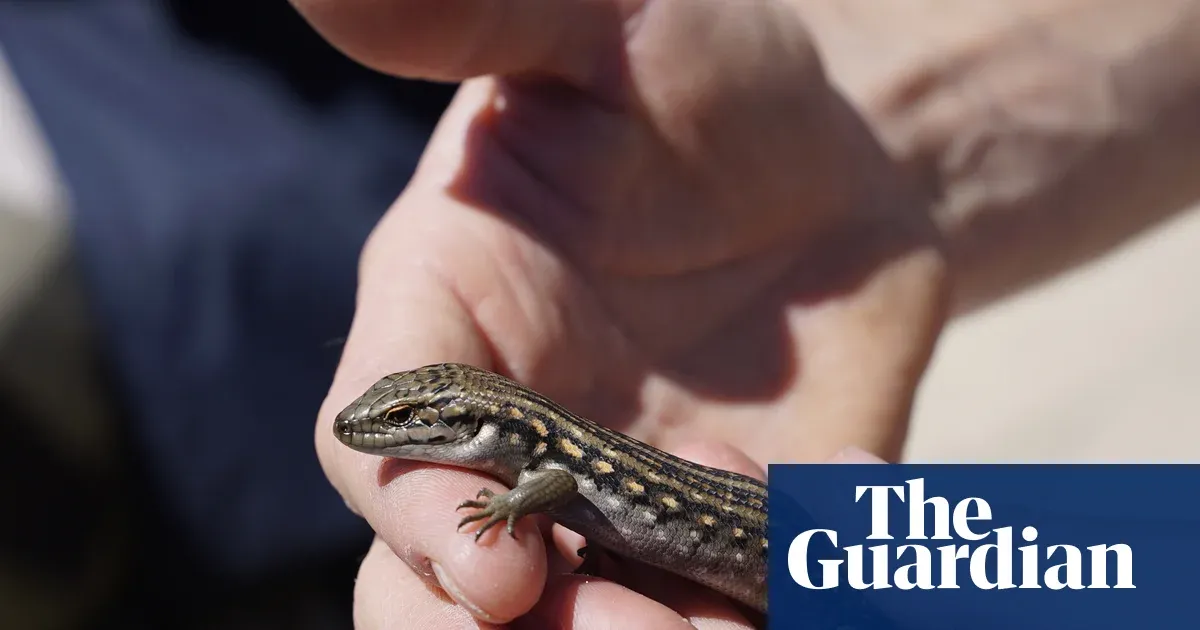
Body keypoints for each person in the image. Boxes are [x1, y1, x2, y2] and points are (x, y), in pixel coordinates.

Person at [291, 0, 1200, 626]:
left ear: (471, 420)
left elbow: (555, 487)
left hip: (782, 539)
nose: (390, 432)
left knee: (1081, 566)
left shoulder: (544, 463)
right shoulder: (541, 443)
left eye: (408, 419)